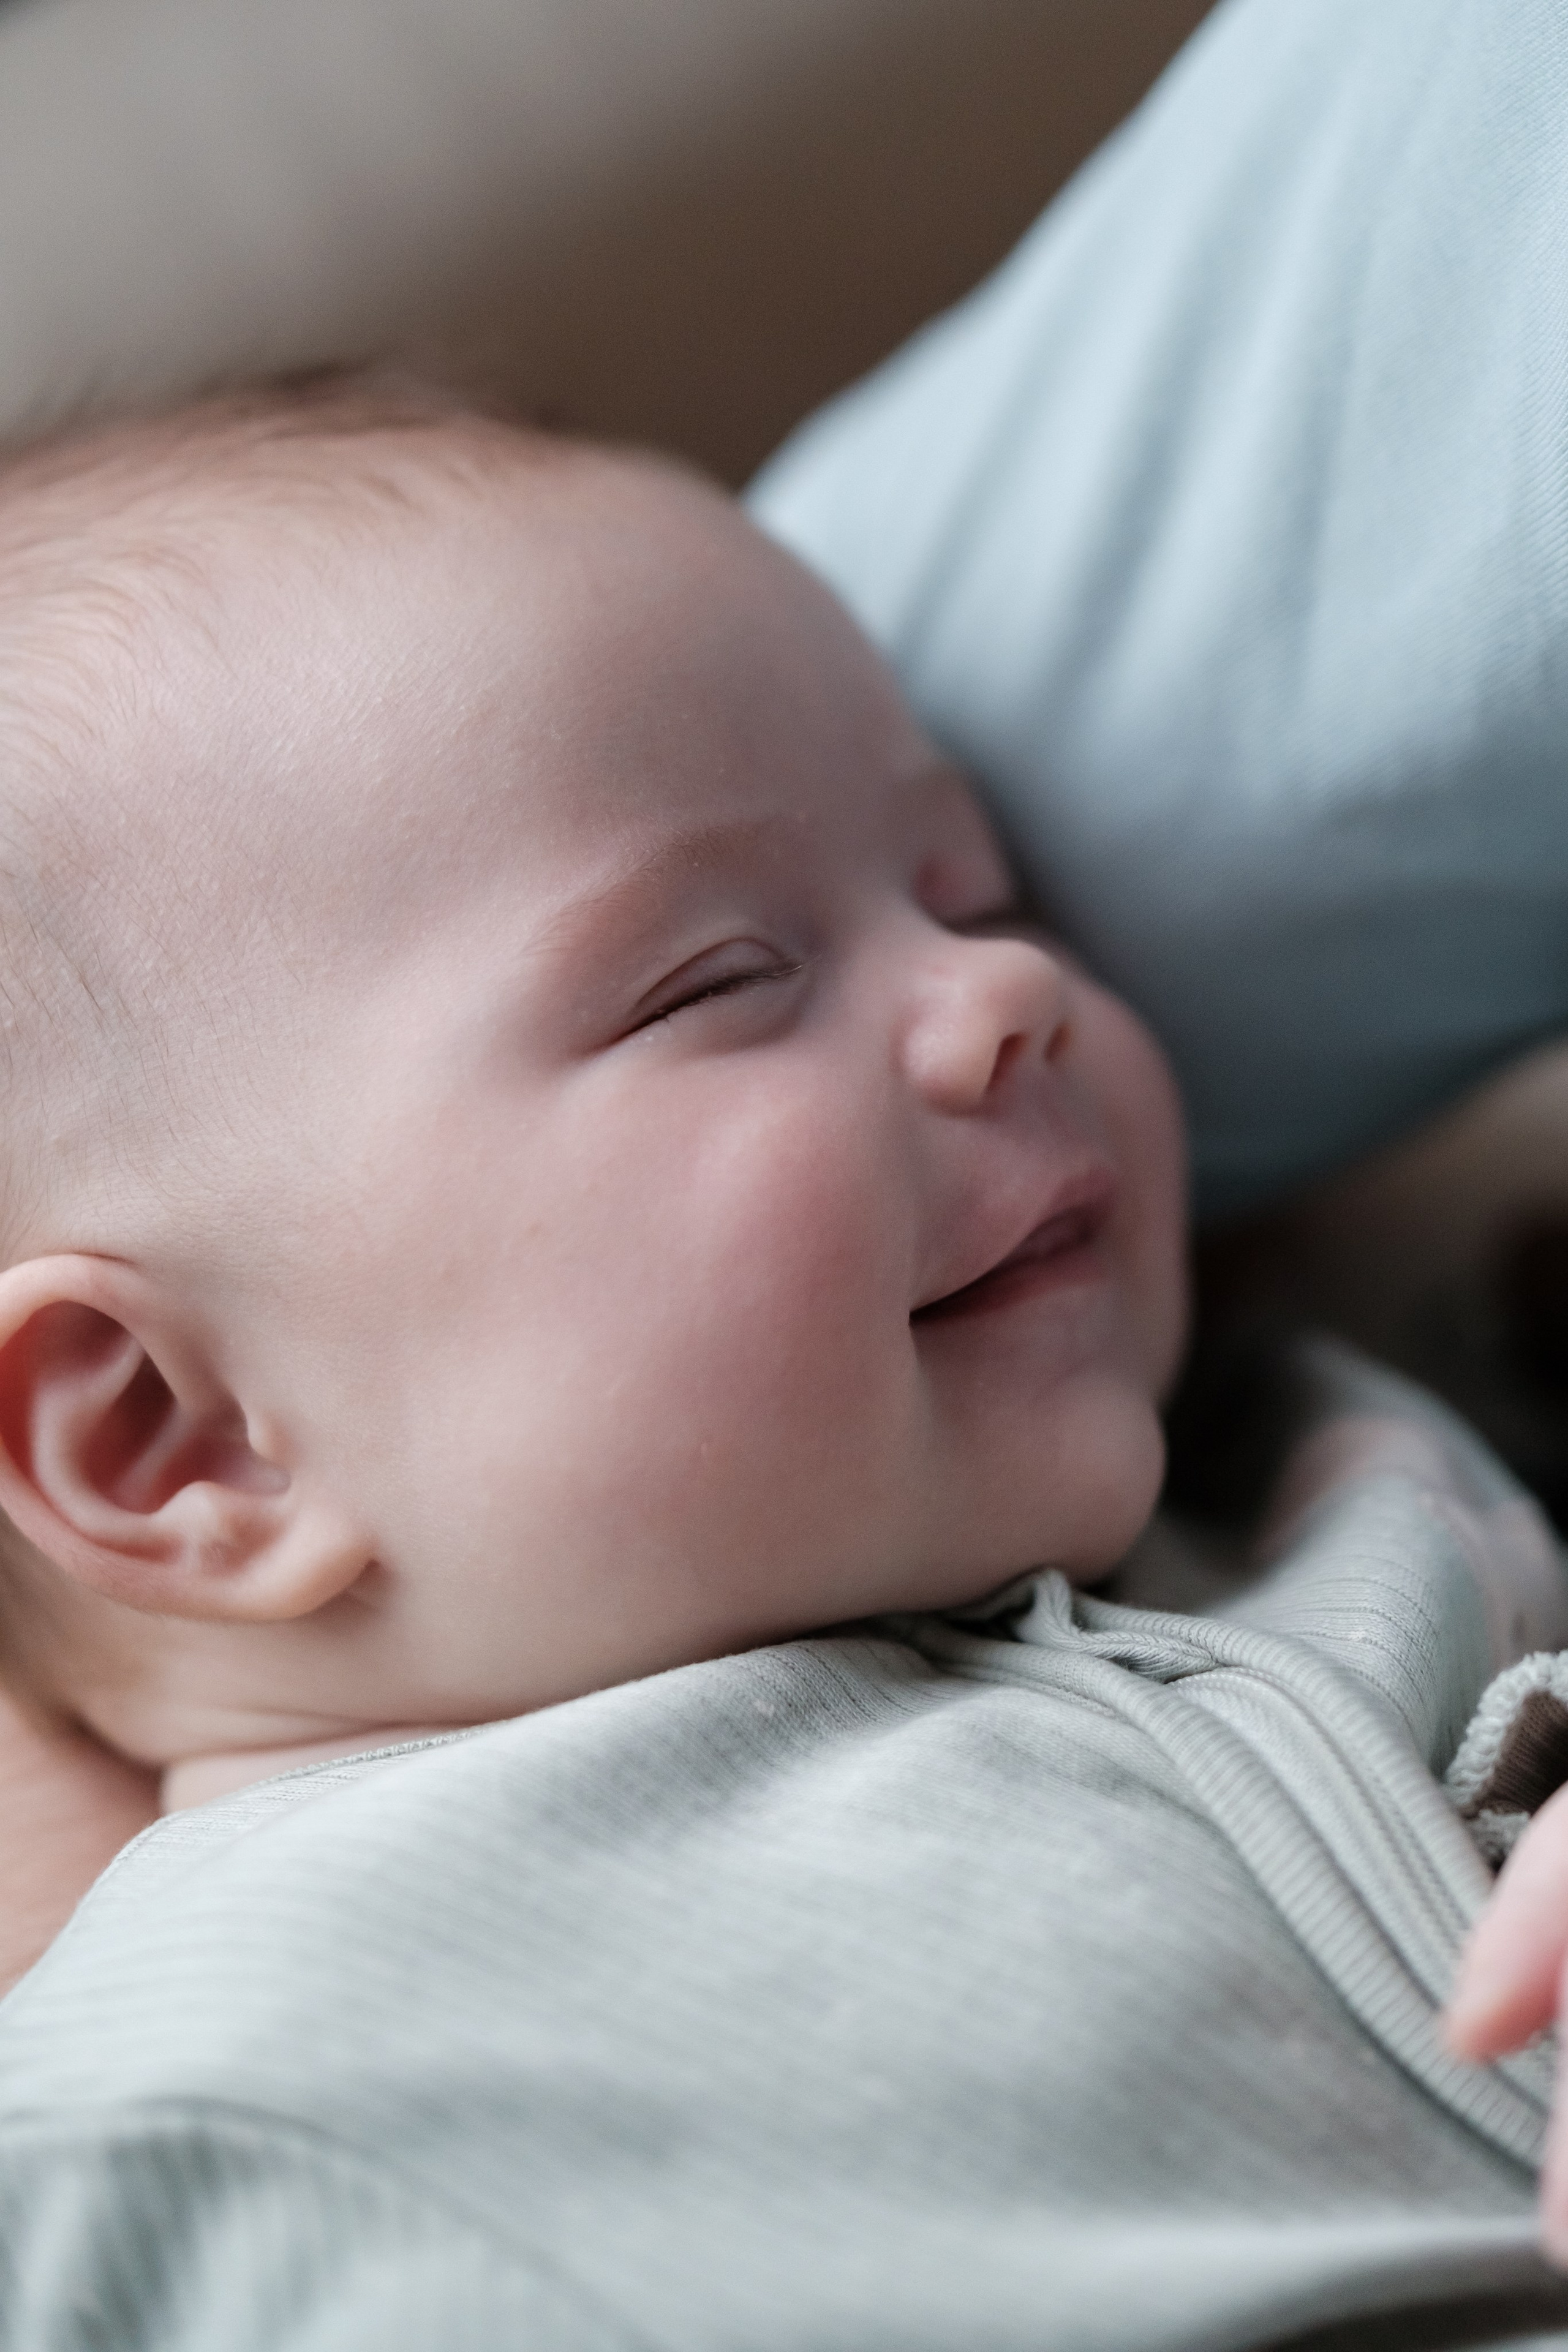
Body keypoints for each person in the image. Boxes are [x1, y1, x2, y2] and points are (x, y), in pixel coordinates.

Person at [0, 380, 1566, 2348]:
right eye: (719, 979)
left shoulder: (1306, 1474)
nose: (1009, 988)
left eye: (971, 889)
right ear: (182, 1439)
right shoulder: (233, 2127)